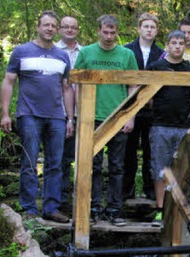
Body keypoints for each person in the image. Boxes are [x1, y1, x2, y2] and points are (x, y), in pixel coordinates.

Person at [1, 10, 74, 223]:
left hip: (56, 117)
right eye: (46, 25)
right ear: (38, 27)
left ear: (57, 29)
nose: (49, 28)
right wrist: (5, 114)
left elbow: (67, 88)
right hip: (29, 114)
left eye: (53, 25)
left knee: (55, 163)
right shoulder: (21, 51)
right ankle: (30, 209)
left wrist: (70, 118)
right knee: (29, 161)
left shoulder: (62, 56)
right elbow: (8, 82)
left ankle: (51, 208)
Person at [74, 14, 138, 226]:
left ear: (117, 32)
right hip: (92, 117)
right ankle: (92, 209)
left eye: (113, 32)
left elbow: (134, 86)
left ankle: (114, 210)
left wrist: (130, 116)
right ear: (99, 31)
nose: (109, 36)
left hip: (118, 117)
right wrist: (78, 114)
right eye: (105, 32)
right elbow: (77, 83)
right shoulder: (86, 52)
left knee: (117, 167)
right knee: (92, 165)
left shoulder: (127, 54)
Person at [146, 30, 190, 227]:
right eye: (174, 42)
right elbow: (147, 97)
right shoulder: (155, 67)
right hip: (160, 125)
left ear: (185, 46)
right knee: (159, 168)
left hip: (183, 126)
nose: (177, 46)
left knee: (183, 169)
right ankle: (160, 210)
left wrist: (186, 112)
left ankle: (179, 210)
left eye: (181, 43)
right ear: (167, 45)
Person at [123, 13, 164, 201]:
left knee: (151, 152)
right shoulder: (126, 50)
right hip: (129, 108)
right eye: (146, 26)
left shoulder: (161, 53)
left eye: (152, 27)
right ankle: (126, 191)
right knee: (128, 152)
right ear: (139, 28)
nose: (149, 30)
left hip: (153, 110)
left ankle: (150, 191)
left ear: (156, 31)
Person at [55, 15, 82, 214]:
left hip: (84, 112)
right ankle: (59, 199)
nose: (69, 30)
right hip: (59, 112)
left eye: (73, 27)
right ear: (59, 29)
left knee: (81, 157)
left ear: (77, 30)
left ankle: (81, 200)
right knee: (60, 158)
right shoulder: (53, 51)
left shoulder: (85, 52)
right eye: (66, 27)